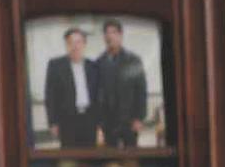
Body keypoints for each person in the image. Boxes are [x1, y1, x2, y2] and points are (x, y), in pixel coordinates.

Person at [43, 27, 101, 147]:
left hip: (90, 119)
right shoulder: (55, 66)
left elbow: (99, 95)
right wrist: (52, 122)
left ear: (84, 44)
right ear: (66, 45)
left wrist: (101, 124)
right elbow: (50, 96)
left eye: (78, 42)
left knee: (90, 154)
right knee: (69, 154)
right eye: (71, 42)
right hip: (67, 121)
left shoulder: (93, 66)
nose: (75, 46)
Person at [96, 19, 148, 147]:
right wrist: (98, 123)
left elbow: (141, 90)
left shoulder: (133, 60)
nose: (110, 36)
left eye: (113, 32)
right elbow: (97, 93)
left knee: (131, 156)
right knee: (110, 156)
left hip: (129, 120)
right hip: (108, 122)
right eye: (107, 33)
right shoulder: (99, 62)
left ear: (120, 35)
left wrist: (139, 118)